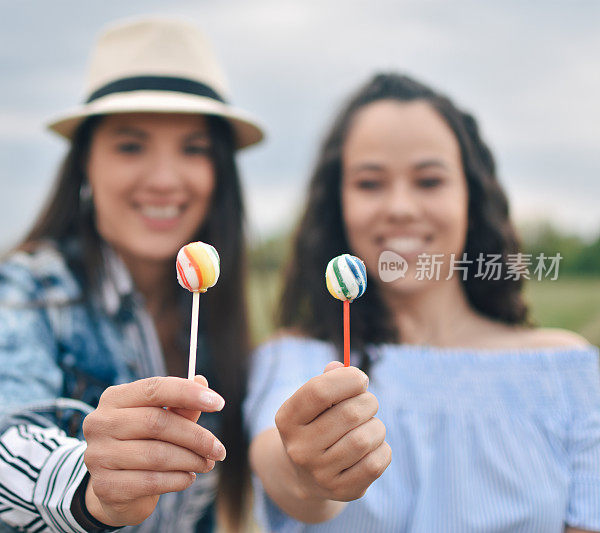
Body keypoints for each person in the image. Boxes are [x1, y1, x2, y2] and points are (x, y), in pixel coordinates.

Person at [0, 17, 265, 533]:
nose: (165, 180)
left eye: (194, 148)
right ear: (86, 166)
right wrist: (88, 484)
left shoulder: (214, 319)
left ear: (219, 171)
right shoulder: (25, 289)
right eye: (131, 145)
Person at [245, 73, 600, 532]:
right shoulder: (292, 359)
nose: (400, 207)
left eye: (429, 181)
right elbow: (286, 474)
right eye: (370, 183)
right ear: (340, 204)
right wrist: (309, 475)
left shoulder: (567, 371)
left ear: (471, 196)